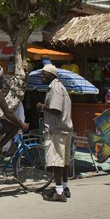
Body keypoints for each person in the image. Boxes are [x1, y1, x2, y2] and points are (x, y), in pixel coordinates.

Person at [36, 63, 73, 202]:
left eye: (44, 74)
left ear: (52, 75)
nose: (41, 77)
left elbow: (56, 109)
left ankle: (59, 192)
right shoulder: (59, 87)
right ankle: (64, 187)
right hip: (64, 128)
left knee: (57, 160)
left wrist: (42, 106)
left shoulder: (56, 89)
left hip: (57, 130)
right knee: (64, 161)